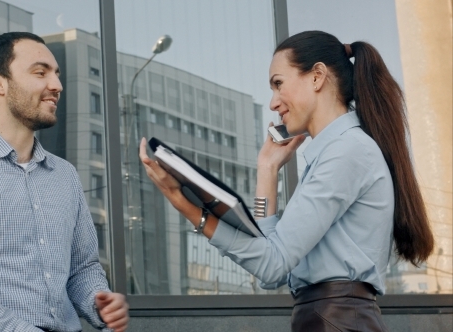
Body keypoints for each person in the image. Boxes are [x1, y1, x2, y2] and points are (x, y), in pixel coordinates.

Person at [139, 30, 434, 332]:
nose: (273, 103)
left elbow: (271, 264)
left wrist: (183, 202)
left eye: (278, 84)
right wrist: (267, 170)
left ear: (317, 76)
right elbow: (272, 268)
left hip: (338, 320)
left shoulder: (347, 152)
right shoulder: (337, 152)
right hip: (332, 319)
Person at [0, 32, 128, 332]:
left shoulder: (65, 175)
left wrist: (99, 303)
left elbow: (82, 268)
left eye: (56, 74)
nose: (56, 85)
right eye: (40, 73)